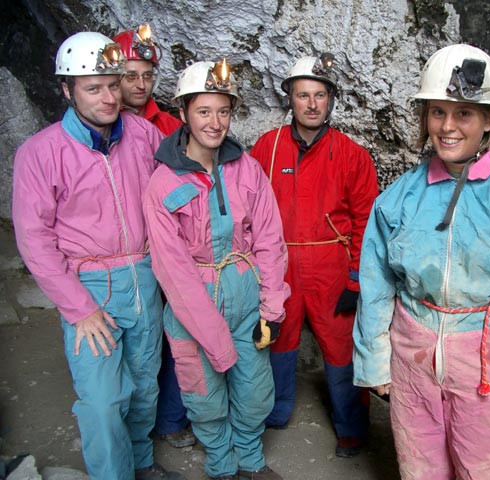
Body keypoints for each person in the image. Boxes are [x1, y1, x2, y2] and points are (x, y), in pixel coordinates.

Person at [353, 44, 490, 479]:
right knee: (419, 469)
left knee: (483, 471)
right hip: (413, 360)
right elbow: (376, 286)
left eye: (464, 114)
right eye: (437, 112)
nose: (447, 127)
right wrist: (375, 361)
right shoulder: (400, 199)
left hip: (487, 367)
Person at [12, 32, 182, 480]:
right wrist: (78, 308)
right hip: (90, 288)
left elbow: (175, 190)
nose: (108, 97)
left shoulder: (144, 134)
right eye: (93, 88)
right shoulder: (40, 153)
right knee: (104, 400)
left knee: (145, 386)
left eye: (113, 83)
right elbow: (34, 240)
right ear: (67, 90)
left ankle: (141, 465)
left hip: (145, 278)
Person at [143, 59, 290, 480]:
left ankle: (251, 460)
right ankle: (222, 465)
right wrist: (216, 341)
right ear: (185, 113)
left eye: (223, 111)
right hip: (194, 305)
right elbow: (173, 271)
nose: (215, 122)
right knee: (205, 397)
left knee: (256, 391)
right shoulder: (164, 183)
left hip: (245, 294)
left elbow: (269, 240)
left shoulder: (245, 168)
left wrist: (272, 308)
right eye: (204, 111)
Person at [250, 52, 379, 457]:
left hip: (330, 268)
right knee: (278, 342)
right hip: (280, 265)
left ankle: (352, 430)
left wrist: (356, 279)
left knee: (341, 349)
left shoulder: (352, 155)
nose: (311, 104)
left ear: (330, 100)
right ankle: (275, 412)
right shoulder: (266, 148)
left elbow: (366, 223)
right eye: (303, 94)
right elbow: (248, 211)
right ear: (290, 97)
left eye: (319, 95)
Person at [113, 24, 195, 450]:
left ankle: (169, 420)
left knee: (175, 334)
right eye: (130, 75)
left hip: (171, 248)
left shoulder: (168, 125)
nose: (140, 84)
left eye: (147, 75)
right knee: (128, 348)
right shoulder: (101, 126)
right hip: (126, 256)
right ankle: (126, 435)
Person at [113, 25, 183, 136]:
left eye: (147, 76)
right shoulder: (104, 125)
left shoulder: (170, 126)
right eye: (131, 77)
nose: (141, 85)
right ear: (114, 79)